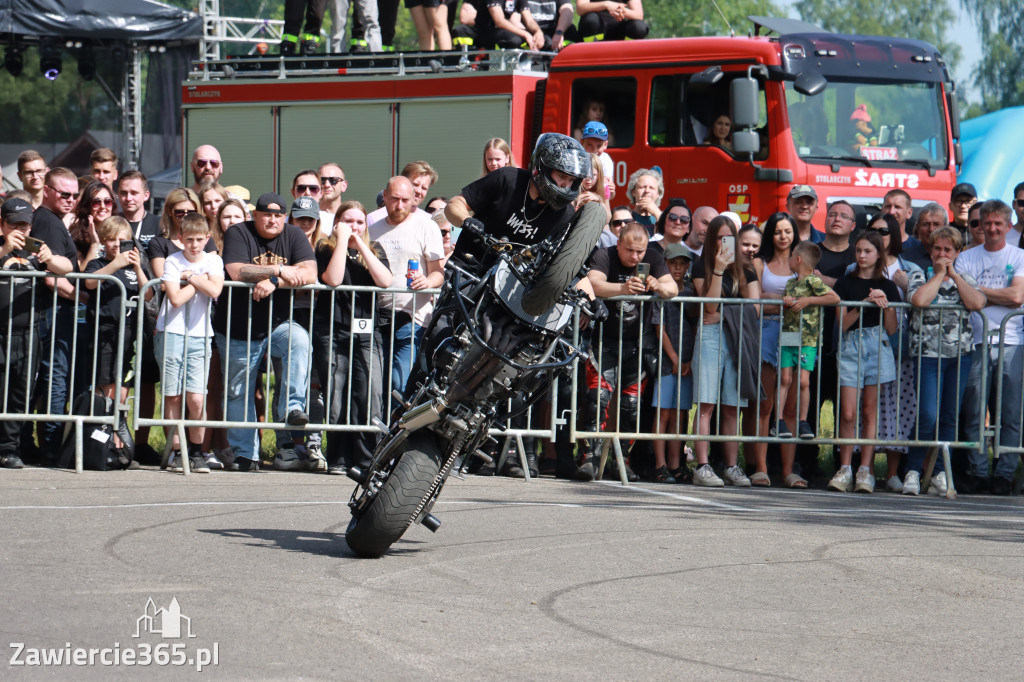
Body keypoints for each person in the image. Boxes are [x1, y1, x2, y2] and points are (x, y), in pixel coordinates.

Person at [213, 192, 318, 472]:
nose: (272, 220)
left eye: (278, 215)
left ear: (285, 217)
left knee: (299, 339)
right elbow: (236, 271)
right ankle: (246, 453)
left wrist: (274, 281)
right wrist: (278, 270)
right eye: (267, 215)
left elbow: (309, 273)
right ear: (255, 216)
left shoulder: (294, 235)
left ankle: (291, 408)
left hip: (276, 323)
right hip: (238, 328)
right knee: (238, 391)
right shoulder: (239, 232)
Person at [581, 221, 678, 481]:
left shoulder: (654, 259)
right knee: (596, 399)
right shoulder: (605, 255)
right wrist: (623, 289)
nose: (635, 257)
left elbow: (673, 288)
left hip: (637, 344)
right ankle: (589, 457)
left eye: (640, 252)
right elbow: (594, 283)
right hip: (605, 340)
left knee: (630, 406)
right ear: (618, 244)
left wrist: (658, 285)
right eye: (630, 251)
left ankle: (621, 460)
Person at [904, 226, 985, 495]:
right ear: (930, 250)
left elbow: (976, 303)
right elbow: (920, 300)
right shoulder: (919, 274)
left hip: (959, 356)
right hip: (927, 355)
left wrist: (954, 276)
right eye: (937, 249)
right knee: (928, 414)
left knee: (949, 416)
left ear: (957, 252)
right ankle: (913, 470)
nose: (942, 254)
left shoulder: (966, 277)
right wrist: (938, 275)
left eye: (947, 250)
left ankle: (940, 471)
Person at [315, 200, 392, 476]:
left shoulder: (375, 250)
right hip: (332, 330)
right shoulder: (324, 248)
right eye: (348, 221)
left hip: (366, 330)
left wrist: (361, 247)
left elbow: (385, 281)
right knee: (336, 395)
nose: (354, 227)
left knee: (368, 392)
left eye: (359, 222)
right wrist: (341, 242)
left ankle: (366, 456)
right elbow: (333, 279)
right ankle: (337, 455)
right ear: (337, 223)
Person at [955, 200, 1024, 495]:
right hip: (976, 341)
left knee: (1010, 414)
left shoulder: (1019, 256)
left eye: (999, 224)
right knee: (973, 412)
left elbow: (1017, 296)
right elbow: (964, 298)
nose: (993, 229)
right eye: (988, 223)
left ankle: (1005, 474)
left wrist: (979, 293)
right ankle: (979, 471)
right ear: (980, 226)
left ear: (1008, 227)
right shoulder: (966, 258)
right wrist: (993, 295)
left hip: (1012, 342)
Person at [0, 197, 73, 468]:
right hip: (1, 331)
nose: (21, 230)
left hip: (29, 332)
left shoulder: (35, 249)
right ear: (2, 224)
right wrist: (5, 248)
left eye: (25, 224)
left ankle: (9, 448)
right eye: (14, 224)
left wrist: (51, 258)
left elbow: (68, 268)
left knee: (21, 394)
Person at [690, 216, 761, 487]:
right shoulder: (702, 265)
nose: (723, 243)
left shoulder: (747, 268)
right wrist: (718, 270)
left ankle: (732, 465)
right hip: (709, 337)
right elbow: (709, 308)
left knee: (733, 405)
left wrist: (724, 314)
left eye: (728, 237)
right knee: (706, 403)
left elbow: (754, 309)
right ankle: (702, 465)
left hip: (737, 337)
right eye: (719, 238)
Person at [829, 231, 900, 493]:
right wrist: (864, 304)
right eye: (858, 251)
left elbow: (892, 329)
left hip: (878, 346)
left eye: (867, 251)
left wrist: (885, 303)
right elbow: (843, 325)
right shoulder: (844, 284)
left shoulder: (889, 286)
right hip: (851, 346)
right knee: (848, 412)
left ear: (878, 254)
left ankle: (865, 470)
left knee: (870, 412)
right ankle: (845, 468)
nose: (861, 256)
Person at [856, 212, 921, 492]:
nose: (878, 236)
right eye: (873, 231)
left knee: (899, 411)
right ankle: (865, 469)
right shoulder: (855, 267)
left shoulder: (909, 268)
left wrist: (905, 286)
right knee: (866, 411)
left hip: (899, 349)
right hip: (864, 349)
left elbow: (923, 300)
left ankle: (893, 473)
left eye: (883, 232)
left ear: (893, 235)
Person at [155, 212, 225, 473]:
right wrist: (202, 282)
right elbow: (175, 298)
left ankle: (196, 452)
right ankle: (176, 451)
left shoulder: (213, 260)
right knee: (173, 395)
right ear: (180, 239)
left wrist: (192, 278)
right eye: (189, 240)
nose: (194, 245)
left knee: (196, 398)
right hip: (171, 332)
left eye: (199, 239)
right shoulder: (172, 261)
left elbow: (216, 291)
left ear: (207, 238)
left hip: (199, 334)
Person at [369, 176, 445, 400]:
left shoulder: (427, 227)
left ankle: (396, 432)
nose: (399, 205)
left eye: (405, 200)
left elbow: (438, 273)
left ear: (414, 199)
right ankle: (376, 433)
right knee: (375, 383)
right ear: (384, 196)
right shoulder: (371, 229)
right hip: (375, 315)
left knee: (399, 383)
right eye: (394, 199)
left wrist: (427, 282)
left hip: (413, 318)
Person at [777, 242, 839, 488]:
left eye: (792, 256)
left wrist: (808, 301)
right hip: (789, 336)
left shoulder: (813, 281)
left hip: (808, 339)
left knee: (803, 380)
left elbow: (834, 297)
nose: (790, 259)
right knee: (785, 379)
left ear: (799, 260)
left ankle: (802, 420)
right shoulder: (791, 283)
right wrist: (788, 300)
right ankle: (779, 420)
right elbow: (787, 299)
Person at [30, 167, 82, 457]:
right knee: (54, 378)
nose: (70, 200)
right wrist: (84, 297)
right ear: (47, 191)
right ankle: (49, 445)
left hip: (52, 312)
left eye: (74, 195)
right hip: (52, 312)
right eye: (64, 194)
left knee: (47, 378)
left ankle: (35, 442)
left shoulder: (51, 219)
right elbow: (51, 277)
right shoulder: (49, 222)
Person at [83, 217, 154, 414]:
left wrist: (138, 267)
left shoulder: (133, 267)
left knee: (123, 383)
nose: (116, 244)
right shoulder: (97, 264)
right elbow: (89, 283)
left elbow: (148, 294)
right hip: (104, 331)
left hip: (129, 331)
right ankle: (101, 430)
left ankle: (117, 433)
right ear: (104, 241)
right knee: (104, 383)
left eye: (122, 241)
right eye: (111, 239)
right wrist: (115, 264)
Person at [747, 212, 797, 484]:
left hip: (793, 331)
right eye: (777, 231)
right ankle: (761, 469)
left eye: (788, 231)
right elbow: (753, 302)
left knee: (790, 406)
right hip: (765, 331)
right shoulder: (759, 262)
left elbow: (814, 294)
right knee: (764, 404)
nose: (783, 236)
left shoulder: (801, 263)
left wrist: (773, 299)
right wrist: (777, 300)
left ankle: (789, 471)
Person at [652, 241, 696, 483]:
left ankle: (676, 464)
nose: (677, 268)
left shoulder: (691, 292)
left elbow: (695, 324)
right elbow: (660, 329)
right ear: (665, 264)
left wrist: (688, 359)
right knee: (664, 413)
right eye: (673, 264)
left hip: (687, 361)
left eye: (682, 264)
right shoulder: (660, 292)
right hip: (667, 361)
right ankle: (660, 465)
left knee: (681, 415)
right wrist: (675, 358)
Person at [452, 0, 545, 50]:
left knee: (546, 41)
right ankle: (468, 62)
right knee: (460, 30)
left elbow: (529, 20)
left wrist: (538, 32)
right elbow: (499, 21)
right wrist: (526, 34)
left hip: (503, 31)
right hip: (485, 31)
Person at [69, 181, 116, 270]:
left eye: (107, 202)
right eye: (96, 202)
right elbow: (82, 272)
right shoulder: (77, 237)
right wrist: (94, 244)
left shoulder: (120, 231)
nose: (102, 206)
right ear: (87, 206)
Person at [118, 171, 161, 252]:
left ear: (146, 195)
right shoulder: (112, 224)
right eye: (124, 193)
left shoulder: (159, 225)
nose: (128, 198)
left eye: (134, 193)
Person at [576, 0, 649, 42]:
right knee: (590, 20)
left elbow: (639, 15)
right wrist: (606, 5)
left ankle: (629, 55)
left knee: (639, 27)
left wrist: (619, 10)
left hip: (619, 32)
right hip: (595, 30)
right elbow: (580, 8)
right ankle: (590, 52)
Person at [580, 122, 615, 200]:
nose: (594, 150)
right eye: (590, 145)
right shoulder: (576, 159)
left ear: (605, 145)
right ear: (582, 142)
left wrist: (610, 190)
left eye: (599, 146)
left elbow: (609, 195)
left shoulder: (606, 159)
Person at [626, 168, 663, 234]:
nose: (647, 191)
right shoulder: (626, 217)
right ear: (633, 192)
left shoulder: (662, 216)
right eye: (642, 187)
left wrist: (656, 213)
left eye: (651, 188)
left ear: (658, 194)